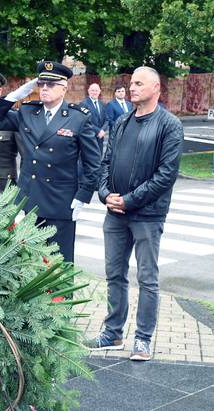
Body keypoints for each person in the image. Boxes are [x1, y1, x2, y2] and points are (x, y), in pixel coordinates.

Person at [84, 66, 184, 361]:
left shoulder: (169, 125)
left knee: (147, 278)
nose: (132, 88)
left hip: (147, 215)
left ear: (156, 89)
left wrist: (129, 200)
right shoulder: (122, 121)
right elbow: (105, 163)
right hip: (115, 213)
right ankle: (112, 332)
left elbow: (166, 175)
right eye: (131, 83)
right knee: (114, 274)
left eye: (139, 83)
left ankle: (143, 338)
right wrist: (106, 195)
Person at [0, 61, 100, 263]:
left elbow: (93, 163)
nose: (45, 88)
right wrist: (13, 97)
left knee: (58, 264)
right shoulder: (28, 112)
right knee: (26, 263)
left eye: (51, 84)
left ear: (64, 88)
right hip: (27, 200)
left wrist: (83, 195)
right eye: (42, 83)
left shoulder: (78, 118)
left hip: (60, 201)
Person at [79, 83, 108, 155]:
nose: (95, 92)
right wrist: (98, 130)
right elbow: (84, 121)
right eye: (92, 90)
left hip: (100, 137)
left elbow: (107, 120)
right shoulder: (83, 104)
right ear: (88, 91)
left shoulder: (102, 104)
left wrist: (102, 130)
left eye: (96, 90)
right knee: (90, 158)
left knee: (99, 157)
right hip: (89, 136)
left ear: (99, 91)